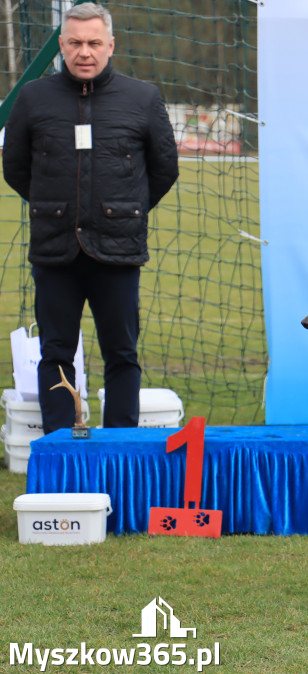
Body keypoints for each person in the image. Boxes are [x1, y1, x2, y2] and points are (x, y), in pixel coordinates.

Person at [3, 3, 179, 432]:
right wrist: (55, 207)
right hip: (54, 252)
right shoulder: (32, 98)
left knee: (122, 354)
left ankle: (121, 447)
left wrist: (125, 210)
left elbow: (164, 169)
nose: (85, 52)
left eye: (94, 43)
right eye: (76, 43)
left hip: (118, 254)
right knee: (56, 353)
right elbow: (15, 168)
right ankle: (61, 447)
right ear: (62, 45)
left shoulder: (143, 98)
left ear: (111, 45)